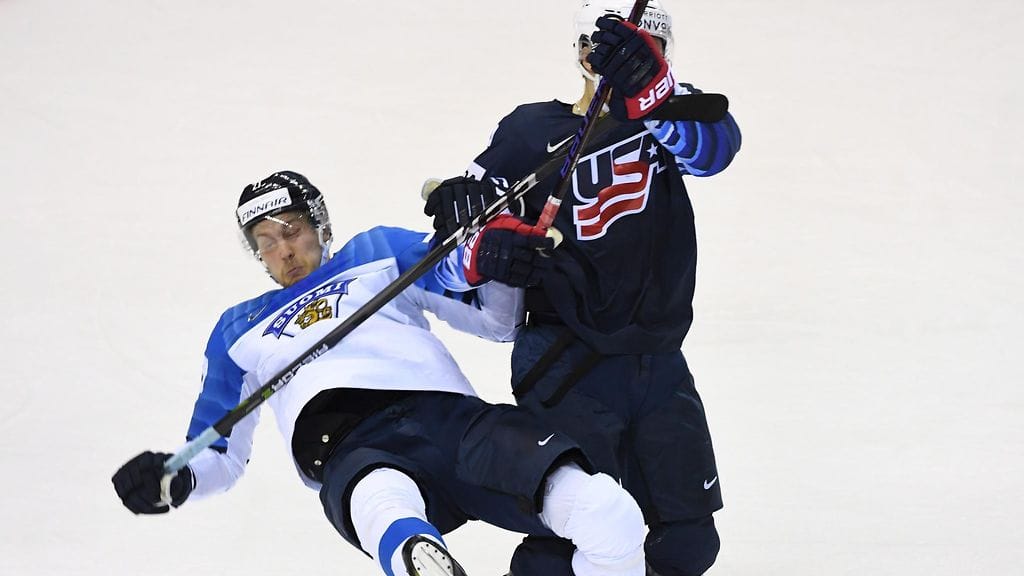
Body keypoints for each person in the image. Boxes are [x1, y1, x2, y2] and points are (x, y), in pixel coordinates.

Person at [110, 171, 649, 576]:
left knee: (611, 515)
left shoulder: (376, 251)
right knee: (388, 510)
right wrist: (176, 480)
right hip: (350, 447)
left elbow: (495, 319)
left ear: (319, 224)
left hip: (452, 421)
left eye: (291, 230)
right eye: (265, 243)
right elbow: (219, 454)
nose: (283, 251)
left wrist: (497, 262)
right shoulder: (237, 328)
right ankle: (419, 558)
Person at [422, 2, 742, 575]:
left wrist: (651, 92)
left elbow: (715, 150)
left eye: (648, 52)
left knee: (689, 542)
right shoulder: (528, 131)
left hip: (657, 357)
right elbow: (450, 253)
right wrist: (480, 244)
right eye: (615, 49)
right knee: (564, 541)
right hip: (563, 360)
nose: (629, 62)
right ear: (581, 52)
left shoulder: (668, 114)